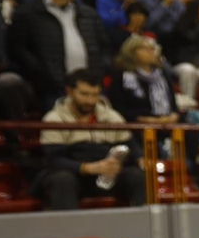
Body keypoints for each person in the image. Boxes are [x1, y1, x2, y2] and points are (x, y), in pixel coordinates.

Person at [36, 68, 147, 208]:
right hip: (76, 173)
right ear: (69, 92)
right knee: (62, 179)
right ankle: (67, 228)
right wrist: (88, 168)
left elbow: (131, 146)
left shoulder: (112, 116)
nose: (90, 100)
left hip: (108, 173)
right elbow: (54, 160)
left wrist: (140, 159)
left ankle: (141, 224)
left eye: (95, 95)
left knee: (137, 176)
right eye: (84, 94)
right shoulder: (54, 119)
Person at [8, 0, 107, 109]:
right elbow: (18, 50)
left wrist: (99, 71)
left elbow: (104, 46)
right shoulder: (27, 13)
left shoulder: (88, 14)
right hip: (51, 89)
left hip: (89, 88)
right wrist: (43, 73)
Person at [107, 34, 179, 124]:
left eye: (152, 48)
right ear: (131, 52)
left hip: (167, 124)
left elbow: (173, 106)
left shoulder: (162, 74)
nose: (151, 52)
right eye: (146, 48)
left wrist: (174, 116)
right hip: (136, 126)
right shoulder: (122, 76)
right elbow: (117, 107)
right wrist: (143, 120)